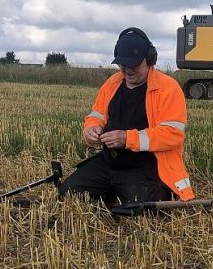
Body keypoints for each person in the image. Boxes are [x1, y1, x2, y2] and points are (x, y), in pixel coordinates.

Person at [58, 27, 194, 206]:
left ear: (149, 59)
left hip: (145, 167)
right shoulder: (112, 83)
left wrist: (127, 138)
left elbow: (172, 136)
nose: (127, 70)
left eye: (134, 65)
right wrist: (91, 129)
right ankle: (114, 193)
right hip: (109, 163)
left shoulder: (168, 88)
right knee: (67, 194)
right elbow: (96, 116)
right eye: (123, 64)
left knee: (139, 209)